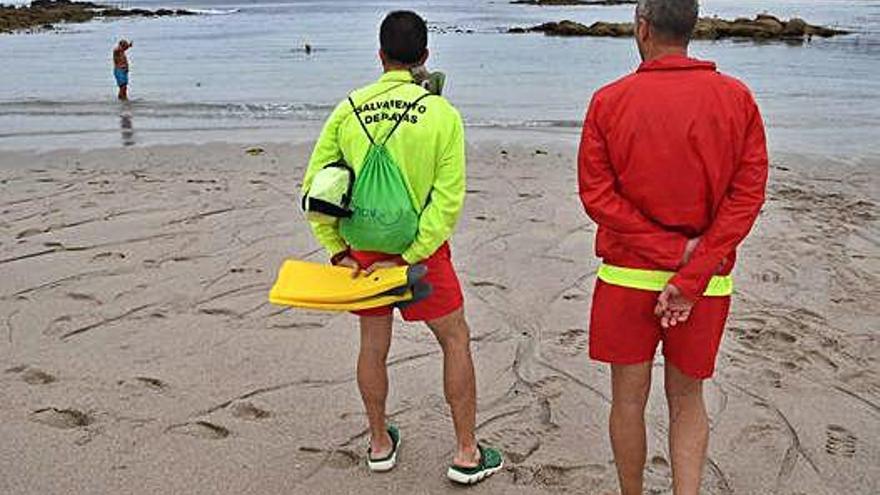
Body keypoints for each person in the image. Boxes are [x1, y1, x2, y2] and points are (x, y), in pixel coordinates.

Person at [300, 10, 503, 485]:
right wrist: (413, 255)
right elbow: (447, 200)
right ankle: (467, 453)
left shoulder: (348, 108)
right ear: (425, 57)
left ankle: (378, 443)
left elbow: (316, 189)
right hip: (421, 254)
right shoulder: (441, 114)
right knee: (454, 338)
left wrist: (337, 249)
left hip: (363, 253)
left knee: (373, 345)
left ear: (380, 55)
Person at [577, 0, 768, 494]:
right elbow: (746, 197)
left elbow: (597, 197)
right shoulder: (736, 98)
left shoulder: (608, 101)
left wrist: (671, 255)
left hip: (627, 276)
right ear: (693, 27)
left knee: (627, 399)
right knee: (688, 400)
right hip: (707, 282)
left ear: (642, 28)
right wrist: (691, 268)